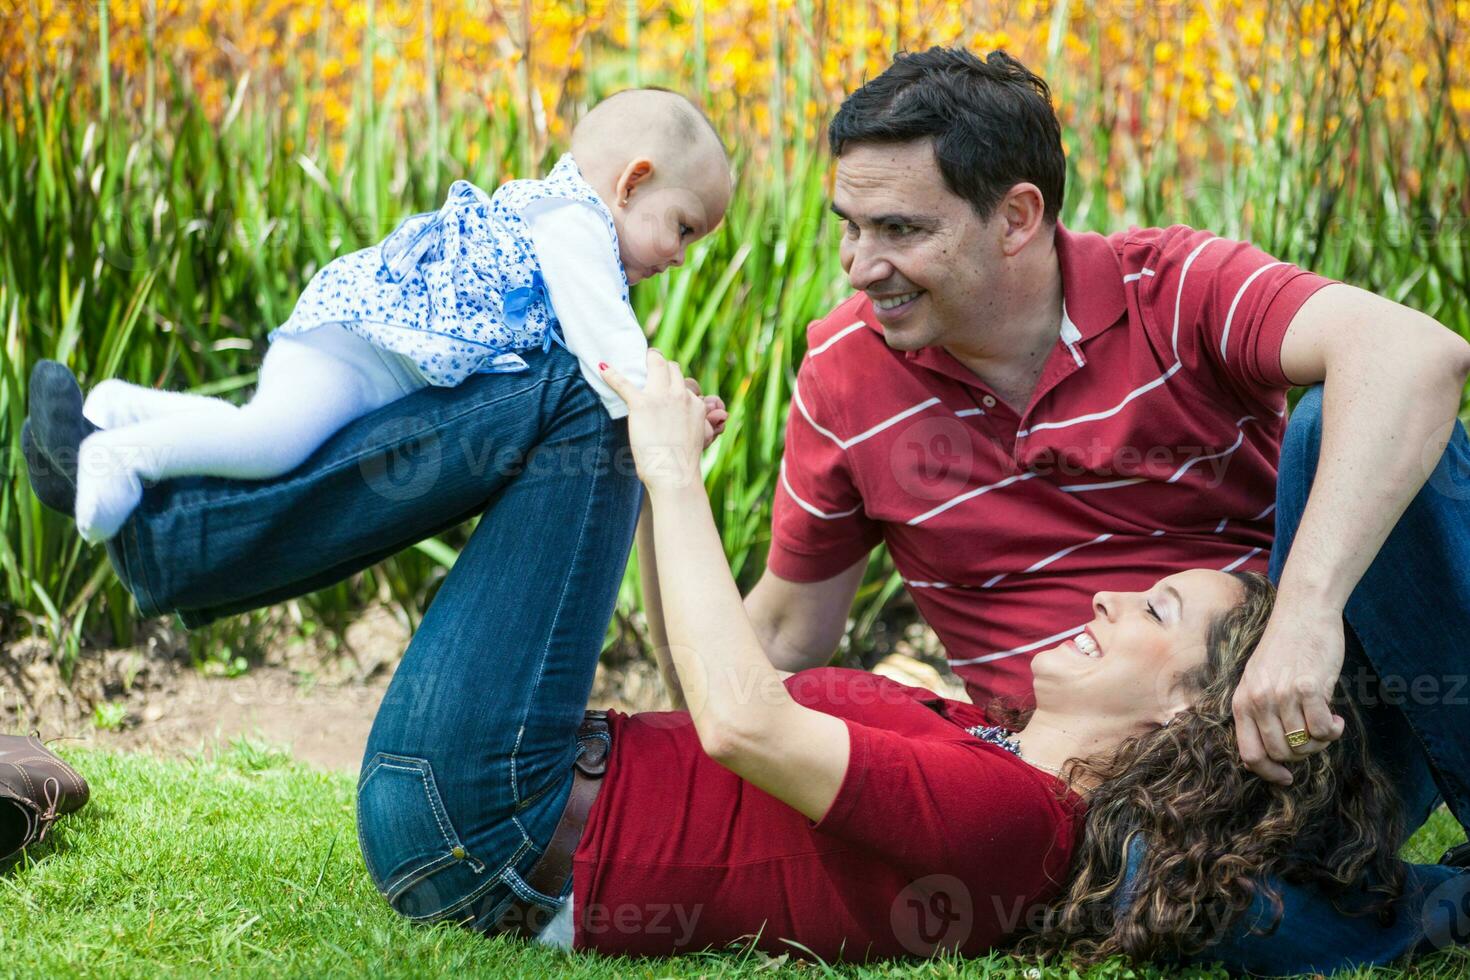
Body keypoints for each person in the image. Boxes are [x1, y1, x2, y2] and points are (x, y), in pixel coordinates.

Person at [63, 87, 732, 543]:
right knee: (271, 447)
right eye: (683, 228)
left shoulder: (572, 230)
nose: (680, 257)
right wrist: (665, 406)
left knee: (263, 430)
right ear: (633, 182)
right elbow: (607, 346)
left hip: (371, 354)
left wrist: (673, 403)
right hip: (356, 345)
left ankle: (127, 408)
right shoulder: (574, 222)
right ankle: (122, 456)